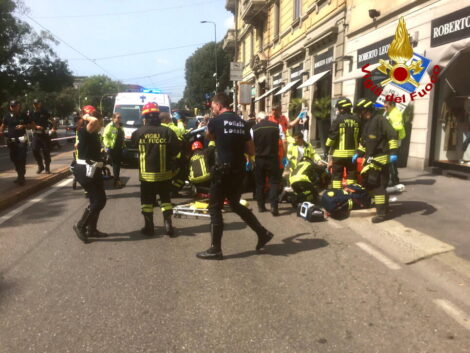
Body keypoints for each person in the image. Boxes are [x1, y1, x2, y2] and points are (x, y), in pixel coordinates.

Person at [196, 93, 274, 260]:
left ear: (217, 105)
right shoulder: (242, 123)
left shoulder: (215, 121)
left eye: (213, 107)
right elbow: (251, 151)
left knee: (215, 208)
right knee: (234, 204)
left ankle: (215, 249)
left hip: (222, 171)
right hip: (238, 171)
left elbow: (208, 136)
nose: (213, 110)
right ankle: (262, 232)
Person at [131, 102, 180, 237]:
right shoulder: (167, 131)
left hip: (146, 176)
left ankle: (149, 227)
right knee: (165, 200)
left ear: (145, 117)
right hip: (164, 174)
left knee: (146, 202)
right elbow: (176, 150)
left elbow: (132, 148)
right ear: (158, 115)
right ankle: (168, 223)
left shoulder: (138, 132)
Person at [353, 98, 398, 223]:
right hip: (371, 159)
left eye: (360, 111)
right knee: (370, 184)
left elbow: (392, 135)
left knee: (378, 185)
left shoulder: (380, 120)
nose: (359, 114)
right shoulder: (366, 124)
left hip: (381, 158)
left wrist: (393, 153)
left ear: (366, 110)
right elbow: (364, 143)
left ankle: (381, 213)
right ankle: (384, 206)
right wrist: (358, 154)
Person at [73, 105, 108, 243]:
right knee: (98, 201)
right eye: (99, 122)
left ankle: (92, 229)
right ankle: (80, 226)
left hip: (94, 168)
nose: (100, 124)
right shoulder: (85, 130)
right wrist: (86, 116)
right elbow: (92, 121)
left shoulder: (93, 133)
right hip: (85, 170)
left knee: (99, 200)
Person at [251, 114, 283, 216]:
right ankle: (274, 206)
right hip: (273, 158)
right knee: (274, 183)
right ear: (266, 117)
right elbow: (284, 140)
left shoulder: (254, 129)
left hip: (259, 159)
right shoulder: (276, 126)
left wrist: (249, 159)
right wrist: (284, 156)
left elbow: (250, 144)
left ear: (259, 119)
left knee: (260, 183)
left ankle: (261, 206)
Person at [326, 97, 361, 189]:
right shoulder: (357, 120)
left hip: (338, 155)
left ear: (341, 109)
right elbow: (360, 137)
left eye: (338, 108)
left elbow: (331, 137)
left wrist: (327, 150)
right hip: (352, 155)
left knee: (337, 176)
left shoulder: (338, 120)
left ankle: (337, 194)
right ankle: (352, 193)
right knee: (352, 175)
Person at [0, 100, 32, 186]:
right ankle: (20, 174)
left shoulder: (23, 115)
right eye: (12, 106)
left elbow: (31, 126)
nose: (13, 108)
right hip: (12, 141)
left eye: (15, 106)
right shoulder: (7, 116)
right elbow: (2, 126)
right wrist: (1, 134)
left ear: (19, 106)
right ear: (10, 107)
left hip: (22, 139)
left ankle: (21, 177)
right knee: (14, 158)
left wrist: (24, 126)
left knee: (21, 158)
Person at [384, 101, 405, 185]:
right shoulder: (391, 112)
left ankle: (394, 180)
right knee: (391, 160)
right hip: (392, 138)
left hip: (394, 139)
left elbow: (398, 126)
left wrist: (387, 125)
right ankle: (393, 179)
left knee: (391, 160)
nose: (385, 108)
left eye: (386, 106)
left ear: (392, 105)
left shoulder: (395, 113)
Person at [102, 113, 125, 188]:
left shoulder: (120, 126)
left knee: (118, 165)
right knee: (115, 165)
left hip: (119, 148)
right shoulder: (110, 126)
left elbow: (121, 136)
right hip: (112, 148)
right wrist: (108, 146)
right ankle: (116, 181)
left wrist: (123, 145)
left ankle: (117, 180)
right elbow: (105, 137)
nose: (119, 119)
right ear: (113, 118)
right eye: (118, 117)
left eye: (120, 117)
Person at [30, 99, 52, 174]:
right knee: (34, 150)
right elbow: (29, 123)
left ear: (40, 104)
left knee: (46, 152)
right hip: (36, 134)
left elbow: (52, 120)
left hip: (44, 134)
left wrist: (53, 128)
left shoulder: (45, 111)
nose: (36, 105)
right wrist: (36, 126)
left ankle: (47, 168)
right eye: (34, 104)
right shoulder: (31, 113)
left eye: (37, 103)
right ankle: (40, 165)